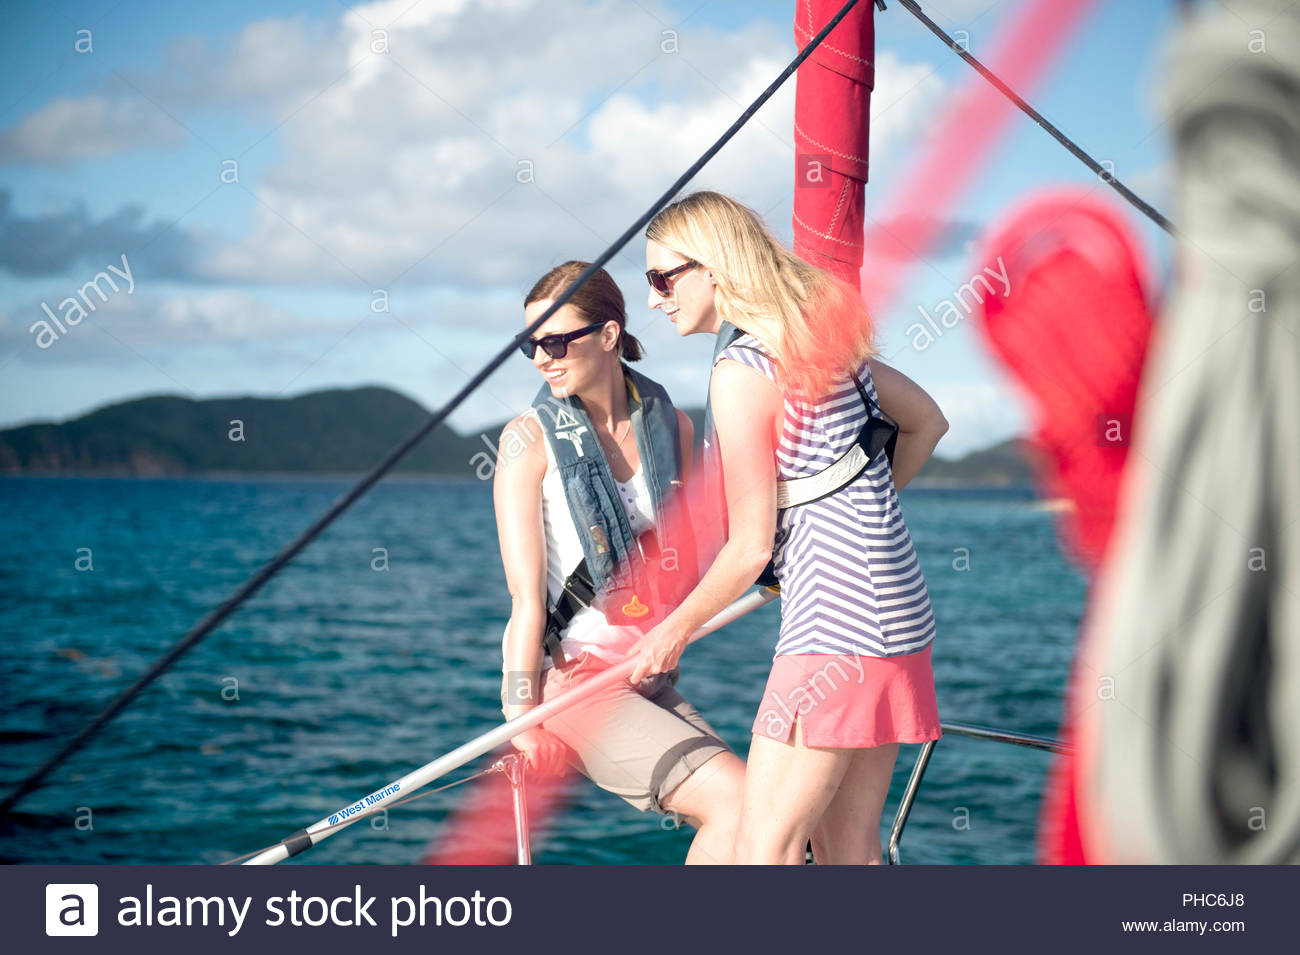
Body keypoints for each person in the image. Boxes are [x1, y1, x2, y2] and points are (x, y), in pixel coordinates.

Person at [630, 191, 948, 865]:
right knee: (850, 853)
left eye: (663, 278)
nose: (654, 299)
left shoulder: (741, 370)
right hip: (900, 614)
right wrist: (848, 518)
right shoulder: (824, 343)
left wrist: (670, 630)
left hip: (835, 628)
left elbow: (748, 547)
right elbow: (927, 421)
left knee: (761, 847)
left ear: (711, 267)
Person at [494, 260, 745, 864]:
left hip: (647, 675)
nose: (541, 358)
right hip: (577, 687)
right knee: (736, 802)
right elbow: (526, 602)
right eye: (530, 344)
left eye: (556, 340)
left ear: (609, 335)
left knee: (766, 813)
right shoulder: (525, 442)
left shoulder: (674, 428)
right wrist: (520, 718)